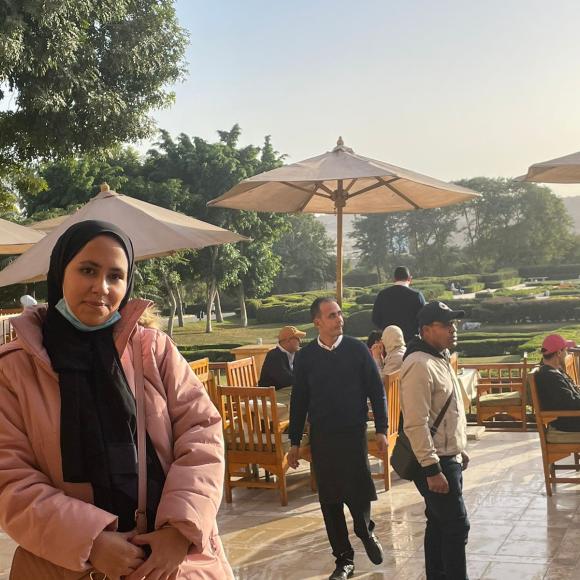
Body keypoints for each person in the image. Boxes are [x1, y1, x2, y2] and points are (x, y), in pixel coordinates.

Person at [0, 221, 233, 579]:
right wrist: (90, 542)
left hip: (172, 565)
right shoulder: (13, 370)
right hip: (62, 568)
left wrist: (180, 532)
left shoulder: (153, 351)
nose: (102, 288)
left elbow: (202, 434)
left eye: (116, 276)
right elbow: (10, 480)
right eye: (88, 270)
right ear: (61, 271)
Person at [288, 297, 388, 580]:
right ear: (317, 321)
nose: (339, 319)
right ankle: (344, 560)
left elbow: (376, 391)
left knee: (357, 490)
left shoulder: (357, 350)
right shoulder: (306, 357)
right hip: (322, 438)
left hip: (353, 433)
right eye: (332, 315)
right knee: (329, 500)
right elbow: (299, 402)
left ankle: (365, 530)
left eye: (340, 314)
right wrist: (295, 441)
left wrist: (382, 428)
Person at [400, 301, 470, 580]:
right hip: (433, 460)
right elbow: (415, 422)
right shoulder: (418, 364)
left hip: (446, 454)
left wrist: (459, 447)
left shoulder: (438, 356)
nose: (453, 330)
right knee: (456, 526)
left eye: (453, 324)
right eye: (446, 325)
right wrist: (432, 469)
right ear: (427, 330)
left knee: (439, 523)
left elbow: (447, 410)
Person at [535, 334, 580, 431]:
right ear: (559, 353)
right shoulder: (549, 376)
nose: (567, 354)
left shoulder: (554, 370)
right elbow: (571, 403)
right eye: (565, 350)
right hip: (567, 423)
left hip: (571, 418)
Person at [371, 266, 426, 342]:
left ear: (394, 279)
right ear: (410, 279)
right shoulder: (416, 295)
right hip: (411, 342)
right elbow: (424, 319)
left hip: (389, 342)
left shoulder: (382, 295)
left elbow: (375, 319)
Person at [258, 325, 306, 389]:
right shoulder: (274, 356)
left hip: (286, 390)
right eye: (297, 338)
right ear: (288, 340)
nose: (300, 341)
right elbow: (286, 380)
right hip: (271, 394)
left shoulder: (296, 353)